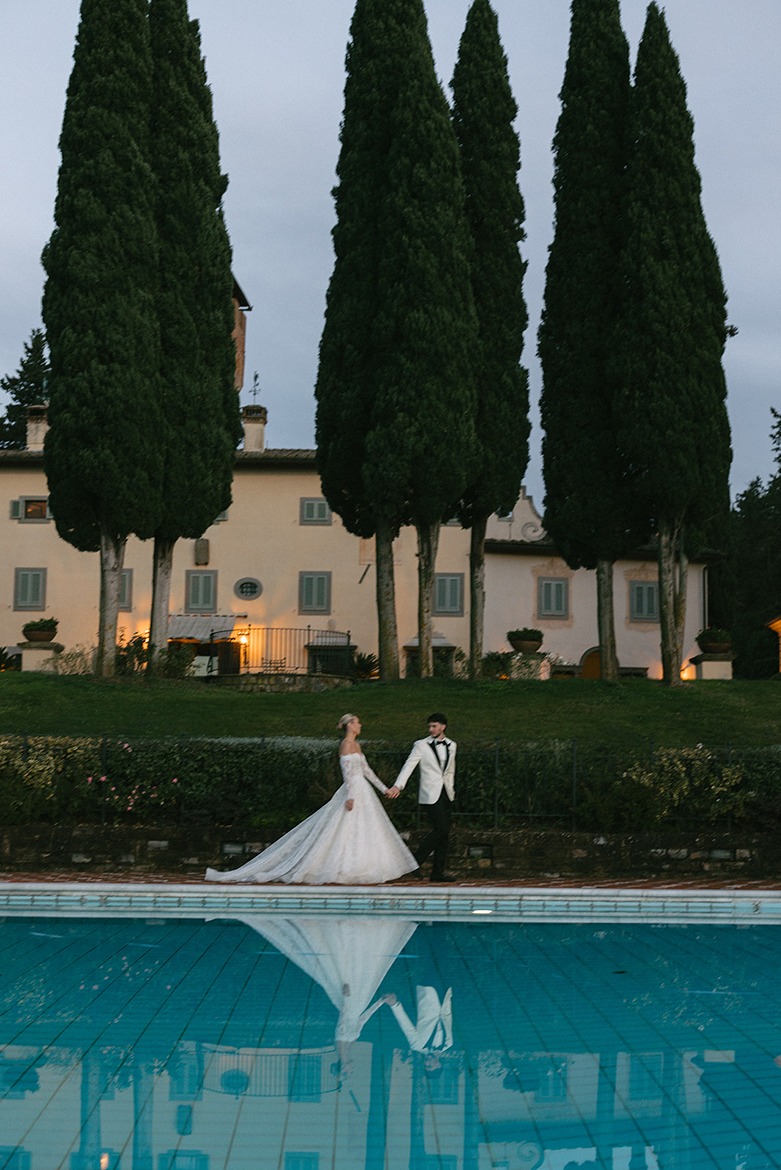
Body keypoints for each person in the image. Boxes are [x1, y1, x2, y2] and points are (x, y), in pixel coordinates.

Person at [205, 714, 418, 884]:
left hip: (364, 791)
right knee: (343, 827)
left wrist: (384, 789)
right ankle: (339, 867)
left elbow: (366, 770)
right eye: (357, 722)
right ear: (349, 725)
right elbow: (348, 774)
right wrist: (351, 796)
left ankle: (363, 865)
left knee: (364, 829)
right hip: (354, 791)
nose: (360, 725)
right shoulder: (345, 745)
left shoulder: (357, 746)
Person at [386, 712, 456, 882]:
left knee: (444, 833)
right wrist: (398, 785)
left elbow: (450, 770)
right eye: (430, 726)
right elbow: (409, 765)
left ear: (443, 726)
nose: (431, 729)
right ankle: (415, 861)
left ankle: (437, 873)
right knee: (441, 828)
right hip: (430, 793)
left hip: (446, 793)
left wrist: (451, 789)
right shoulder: (420, 745)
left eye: (434, 726)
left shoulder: (452, 745)